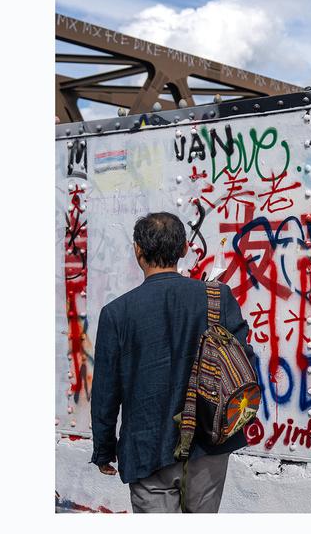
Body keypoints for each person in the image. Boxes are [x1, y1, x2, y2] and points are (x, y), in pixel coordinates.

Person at [90, 212, 256, 513]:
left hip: (147, 448)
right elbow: (245, 361)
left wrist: (104, 449)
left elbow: (105, 391)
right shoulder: (218, 297)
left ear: (138, 250)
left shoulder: (117, 313)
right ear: (182, 250)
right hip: (209, 443)